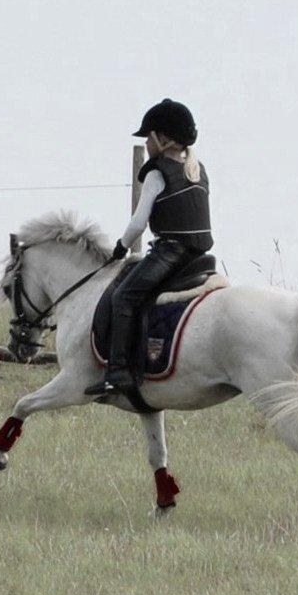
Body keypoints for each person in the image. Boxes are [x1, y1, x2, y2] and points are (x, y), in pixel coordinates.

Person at [85, 98, 214, 397]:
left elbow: (138, 223)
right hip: (199, 257)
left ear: (163, 139)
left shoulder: (158, 172)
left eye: (149, 136)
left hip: (171, 252)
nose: (147, 142)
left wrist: (121, 247)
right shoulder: (198, 169)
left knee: (123, 297)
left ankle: (117, 373)